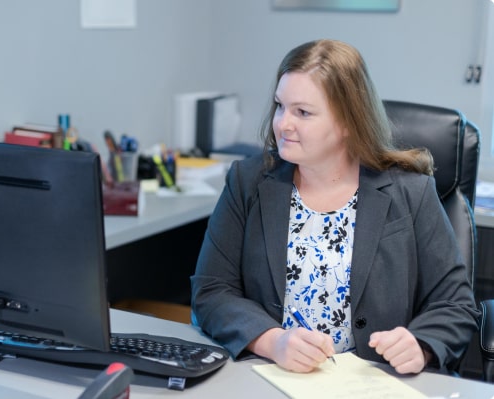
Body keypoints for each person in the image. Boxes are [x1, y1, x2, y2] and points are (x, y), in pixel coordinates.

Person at [190, 39, 480, 375]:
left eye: (303, 112)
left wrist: (422, 344)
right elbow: (212, 290)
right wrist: (273, 341)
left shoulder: (410, 192)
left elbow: (456, 304)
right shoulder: (248, 181)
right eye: (280, 106)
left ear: (347, 122)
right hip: (275, 379)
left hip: (378, 384)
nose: (283, 124)